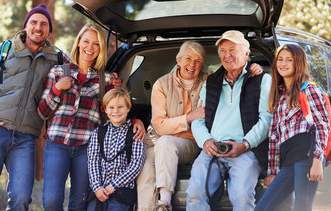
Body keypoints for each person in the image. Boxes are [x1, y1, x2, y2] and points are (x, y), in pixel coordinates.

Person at [136, 40, 265, 211]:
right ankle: (155, 208)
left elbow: (234, 71)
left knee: (166, 143)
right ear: (179, 59)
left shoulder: (211, 81)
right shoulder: (161, 84)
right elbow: (159, 125)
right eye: (188, 59)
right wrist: (189, 118)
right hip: (160, 140)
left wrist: (254, 67)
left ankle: (165, 201)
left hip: (191, 142)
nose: (192, 64)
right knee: (145, 167)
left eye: (198, 61)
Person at [0, 3, 69, 210]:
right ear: (26, 26)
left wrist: (109, 80)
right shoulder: (3, 49)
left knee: (22, 199)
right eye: (33, 22)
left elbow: (82, 68)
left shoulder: (58, 58)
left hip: (25, 137)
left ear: (49, 30)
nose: (38, 27)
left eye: (44, 24)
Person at [37, 23, 145, 210]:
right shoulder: (57, 72)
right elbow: (43, 112)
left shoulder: (108, 80)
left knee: (79, 202)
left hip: (86, 148)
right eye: (86, 41)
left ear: (101, 49)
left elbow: (117, 110)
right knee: (52, 200)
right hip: (57, 144)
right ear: (78, 43)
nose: (90, 47)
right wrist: (57, 88)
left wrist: (135, 120)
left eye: (96, 44)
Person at [186, 30, 272, 211]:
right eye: (223, 51)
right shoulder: (211, 83)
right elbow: (197, 118)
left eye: (232, 49)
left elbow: (267, 119)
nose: (227, 55)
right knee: (195, 194)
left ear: (246, 53)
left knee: (241, 196)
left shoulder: (263, 80)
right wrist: (206, 141)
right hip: (212, 149)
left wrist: (246, 144)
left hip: (246, 150)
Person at [254, 44, 330, 211]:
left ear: (299, 63)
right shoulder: (279, 96)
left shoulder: (309, 89)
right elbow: (274, 136)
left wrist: (318, 159)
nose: (283, 64)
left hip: (306, 157)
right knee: (262, 208)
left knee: (301, 207)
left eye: (289, 60)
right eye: (280, 59)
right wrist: (272, 171)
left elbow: (322, 125)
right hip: (288, 160)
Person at [87, 88, 146, 211]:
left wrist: (113, 186)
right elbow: (92, 161)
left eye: (120, 107)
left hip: (122, 192)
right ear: (105, 109)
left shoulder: (135, 133)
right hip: (99, 192)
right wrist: (97, 187)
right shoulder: (99, 132)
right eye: (111, 107)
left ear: (128, 108)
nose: (116, 111)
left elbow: (136, 165)